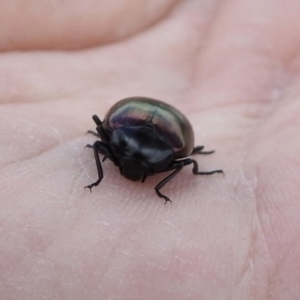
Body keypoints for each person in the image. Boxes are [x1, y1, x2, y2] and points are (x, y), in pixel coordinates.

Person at [1, 1, 299, 299]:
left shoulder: (146, 149)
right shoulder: (159, 154)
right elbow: (112, 144)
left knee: (117, 144)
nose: (131, 173)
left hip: (146, 126)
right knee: (116, 145)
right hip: (150, 127)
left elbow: (111, 143)